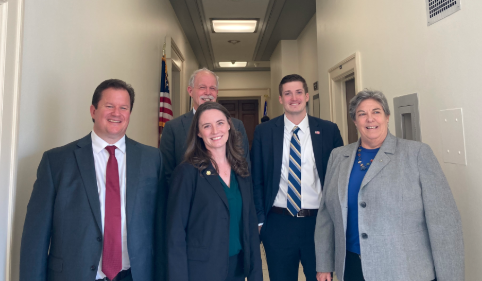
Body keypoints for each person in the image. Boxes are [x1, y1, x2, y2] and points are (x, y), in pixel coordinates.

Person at [20, 79, 164, 281]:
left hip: (135, 275)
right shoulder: (57, 162)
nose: (117, 113)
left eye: (123, 107)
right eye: (109, 106)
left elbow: (160, 224)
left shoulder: (152, 159)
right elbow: (35, 237)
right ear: (93, 111)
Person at [314, 90, 464, 281]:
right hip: (352, 268)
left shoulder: (417, 154)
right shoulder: (338, 156)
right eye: (362, 114)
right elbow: (326, 215)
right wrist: (324, 264)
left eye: (376, 112)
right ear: (355, 121)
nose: (370, 119)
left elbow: (444, 224)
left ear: (387, 117)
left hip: (404, 270)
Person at [251, 74, 343, 281]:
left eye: (299, 92)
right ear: (281, 99)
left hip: (319, 223)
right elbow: (256, 179)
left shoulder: (329, 130)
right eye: (288, 93)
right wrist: (260, 221)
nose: (294, 98)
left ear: (307, 96)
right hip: (278, 223)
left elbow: (340, 178)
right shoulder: (264, 132)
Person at [166, 102, 262, 281]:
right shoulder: (187, 173)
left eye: (219, 123)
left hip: (237, 269)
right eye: (206, 126)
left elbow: (250, 223)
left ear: (228, 126)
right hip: (201, 271)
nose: (215, 131)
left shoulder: (241, 169)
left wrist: (256, 274)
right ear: (198, 133)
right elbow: (175, 234)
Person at [159, 68, 250, 187]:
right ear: (190, 91)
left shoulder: (236, 125)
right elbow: (166, 175)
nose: (208, 92)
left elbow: (244, 168)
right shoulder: (173, 128)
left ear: (217, 92)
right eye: (202, 87)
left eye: (212, 88)